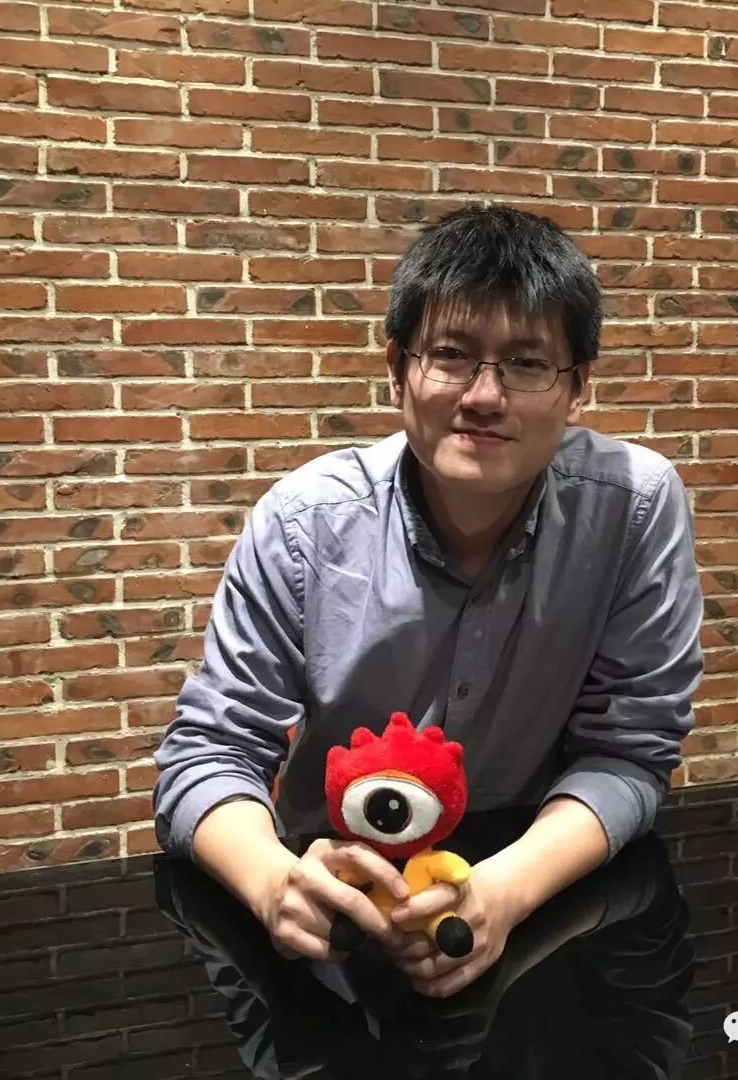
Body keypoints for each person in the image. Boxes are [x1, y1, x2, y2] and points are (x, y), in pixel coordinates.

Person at [152, 202, 704, 1000]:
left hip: (545, 896)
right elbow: (210, 750)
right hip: (333, 901)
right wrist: (273, 881)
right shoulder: (305, 521)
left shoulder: (635, 509)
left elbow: (630, 750)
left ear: (578, 387)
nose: (484, 395)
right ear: (396, 370)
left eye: (527, 363)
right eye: (451, 355)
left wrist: (505, 890)